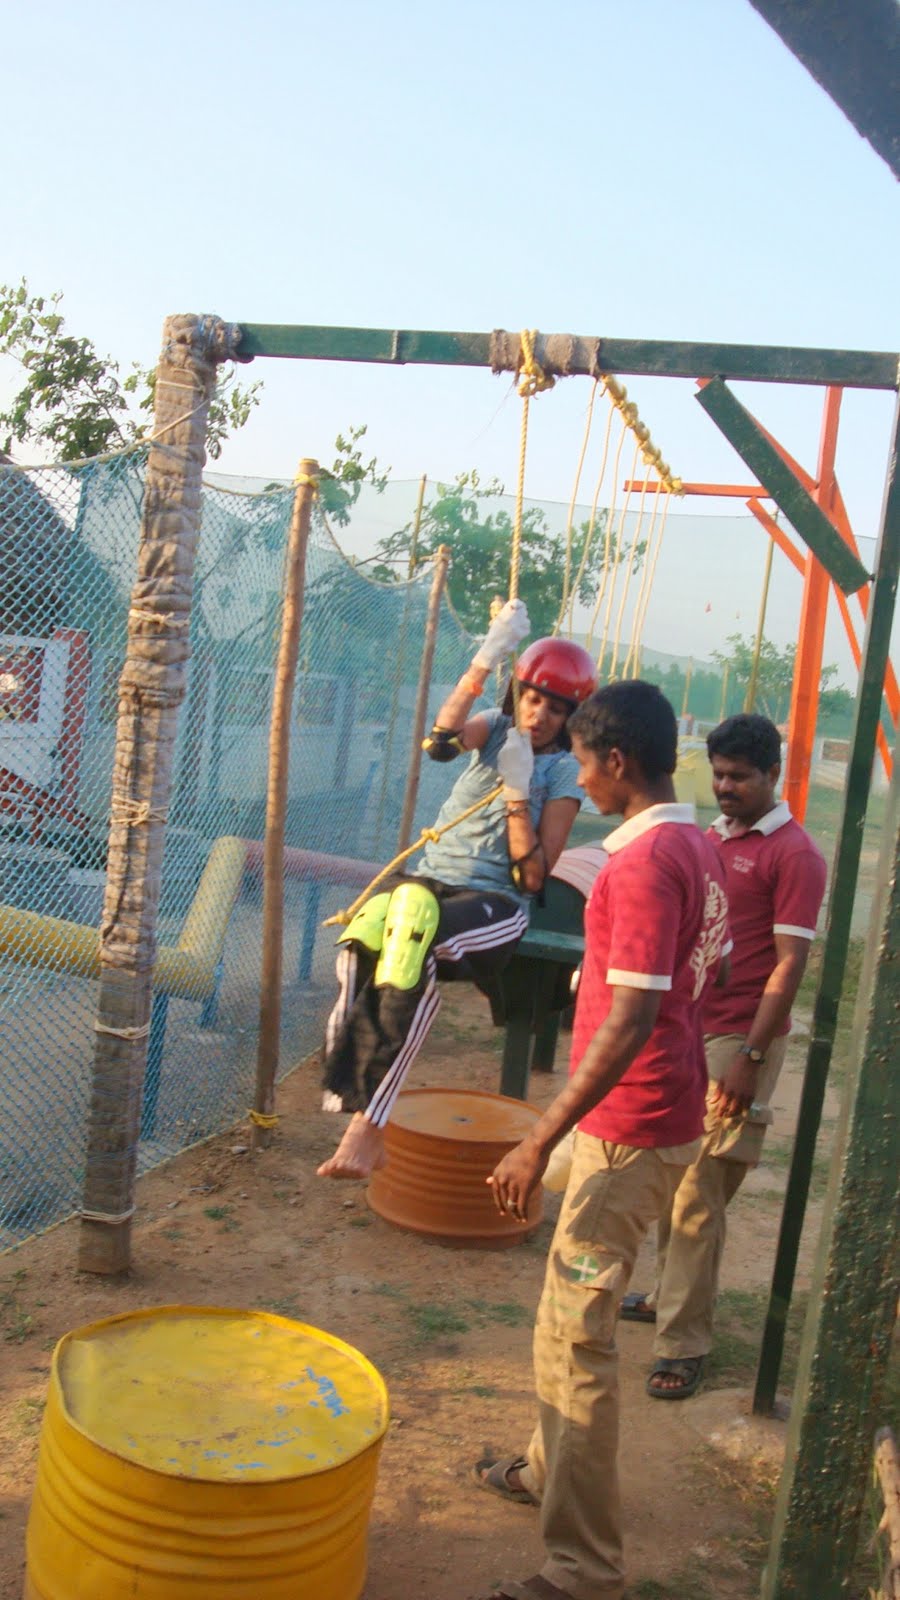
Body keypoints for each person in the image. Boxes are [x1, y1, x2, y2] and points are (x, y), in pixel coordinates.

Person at [473, 680, 730, 1600]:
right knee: (563, 1317)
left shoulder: (645, 862)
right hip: (647, 1117)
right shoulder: (697, 845)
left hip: (627, 1133)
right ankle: (546, 1473)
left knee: (578, 1341)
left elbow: (631, 1017)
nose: (578, 778)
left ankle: (584, 1567)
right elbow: (710, 972)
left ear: (617, 761)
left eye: (583, 763)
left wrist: (537, 1139)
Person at [316, 600, 598, 1181]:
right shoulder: (496, 728)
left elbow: (534, 877)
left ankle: (368, 1125)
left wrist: (517, 794)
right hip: (431, 878)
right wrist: (488, 653)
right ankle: (345, 1087)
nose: (540, 715)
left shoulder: (563, 772)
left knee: (412, 938)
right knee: (360, 937)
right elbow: (441, 741)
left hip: (495, 903)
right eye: (533, 699)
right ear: (518, 694)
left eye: (556, 708)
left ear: (572, 717)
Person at [620, 712, 827, 1399]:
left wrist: (752, 1057)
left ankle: (683, 1346)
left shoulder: (794, 854)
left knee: (700, 1195)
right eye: (718, 775)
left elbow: (789, 965)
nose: (725, 787)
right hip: (690, 1030)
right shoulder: (715, 837)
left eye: (740, 776)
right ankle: (664, 1296)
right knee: (676, 1176)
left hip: (739, 1040)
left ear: (772, 774)